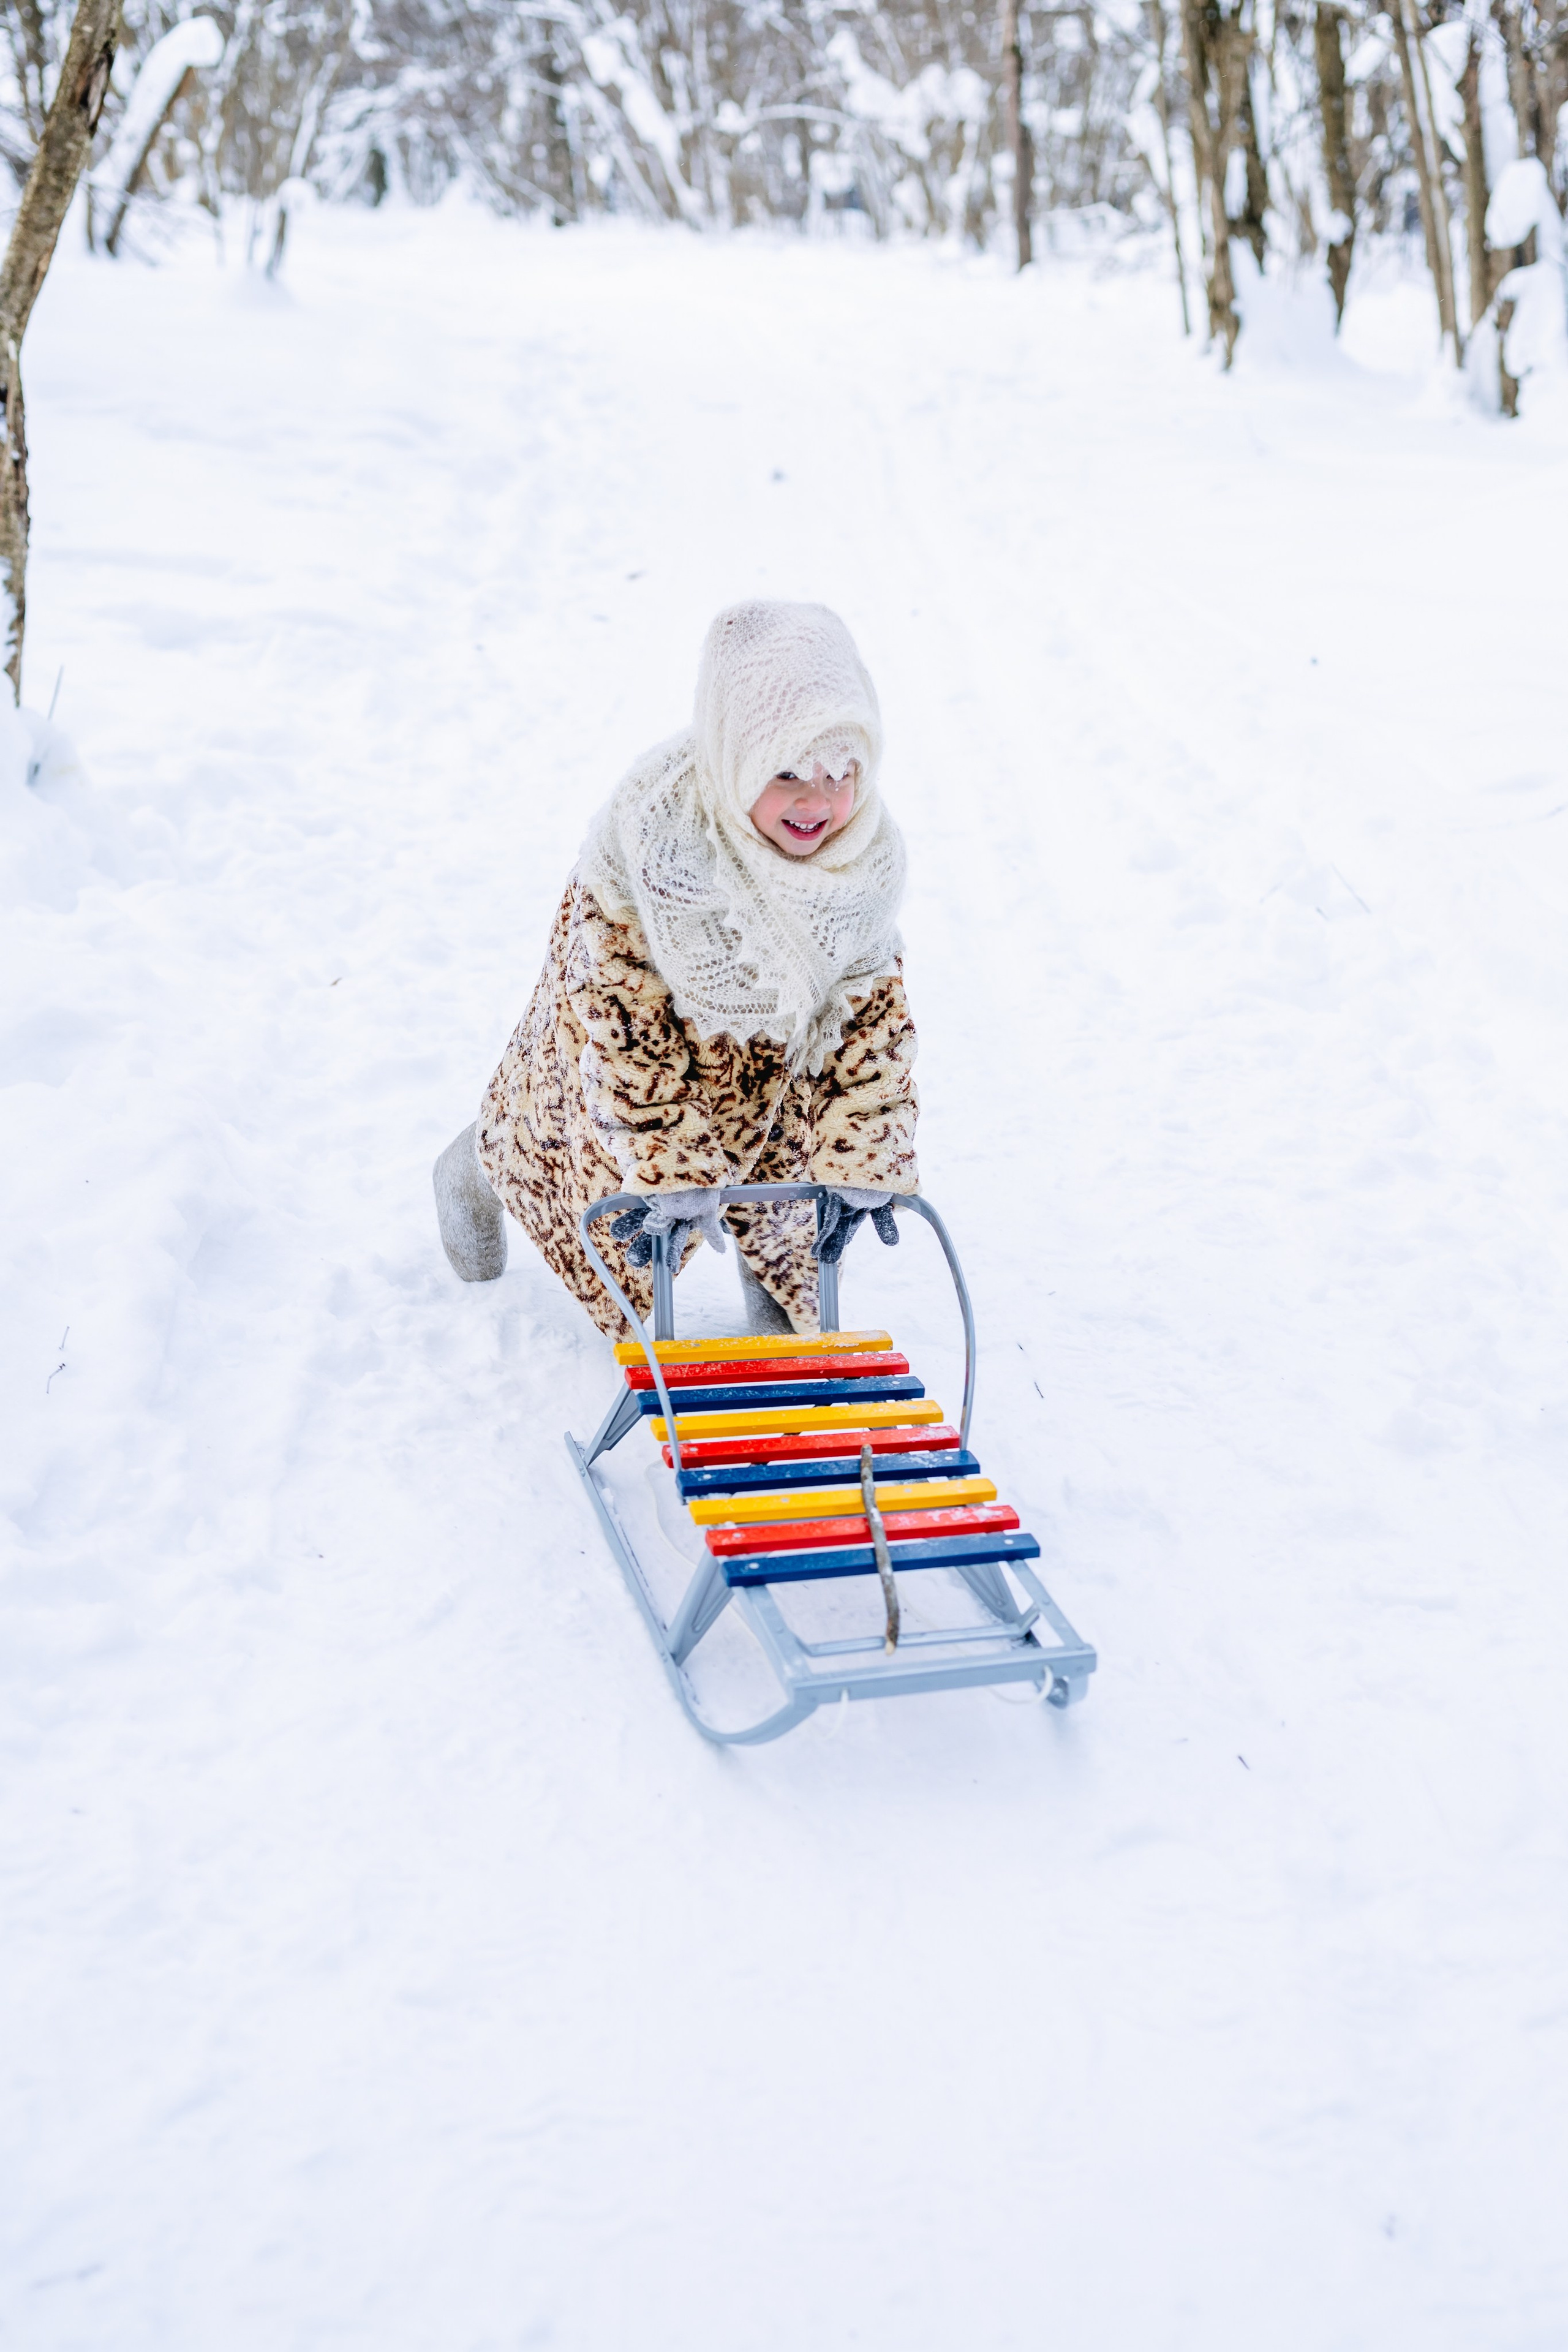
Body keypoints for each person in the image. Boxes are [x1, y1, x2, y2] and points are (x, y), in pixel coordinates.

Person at [432, 598, 918, 1338]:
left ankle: (778, 1331)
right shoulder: (660, 850)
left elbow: (871, 1024)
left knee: (790, 1182)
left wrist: (865, 1147)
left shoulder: (860, 865)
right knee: (569, 1143)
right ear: (735, 757)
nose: (819, 802)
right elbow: (625, 1033)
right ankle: (473, 1166)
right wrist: (672, 1165)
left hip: (774, 1053)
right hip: (633, 1018)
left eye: (842, 773)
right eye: (786, 773)